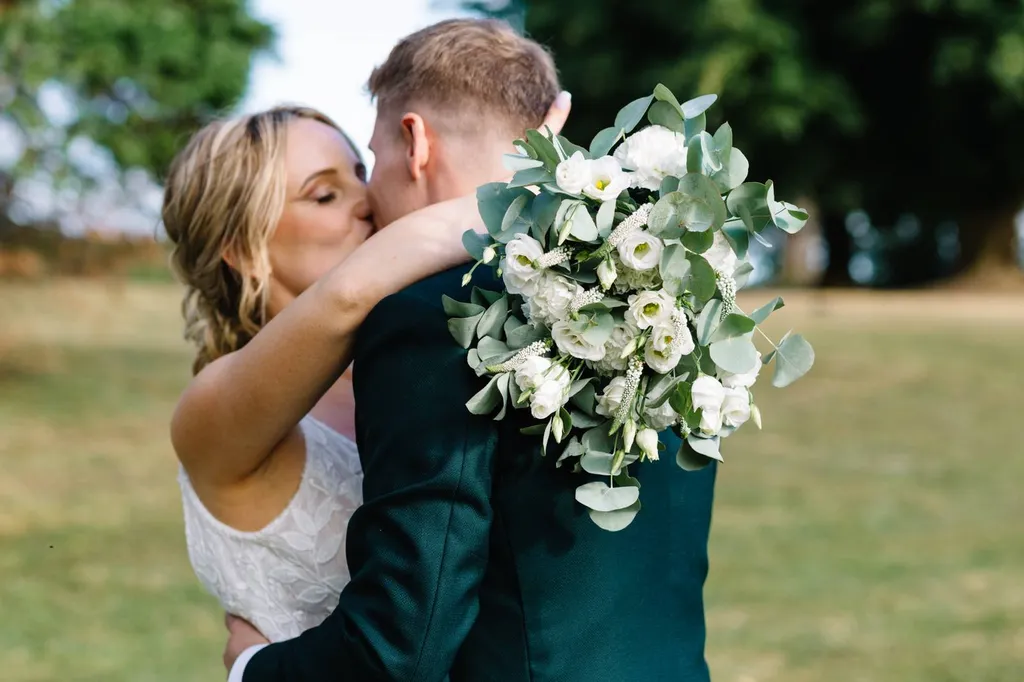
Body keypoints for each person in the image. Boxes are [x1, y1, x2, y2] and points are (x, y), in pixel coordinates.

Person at [220, 19, 718, 682]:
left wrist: (252, 669)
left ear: (415, 142)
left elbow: (405, 640)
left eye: (374, 159)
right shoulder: (665, 284)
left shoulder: (433, 315)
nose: (370, 196)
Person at [164, 102, 571, 640]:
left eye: (362, 172)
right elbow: (347, 294)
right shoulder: (210, 414)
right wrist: (536, 183)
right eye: (325, 194)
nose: (369, 199)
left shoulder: (422, 363)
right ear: (242, 250)